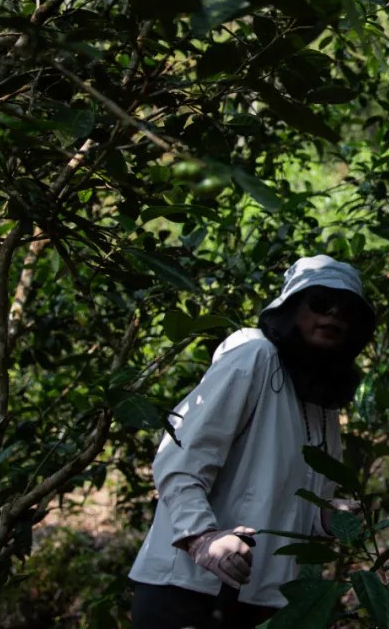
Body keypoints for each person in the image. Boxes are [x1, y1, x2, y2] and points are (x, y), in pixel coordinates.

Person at [129, 255, 375, 629]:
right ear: (292, 308)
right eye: (321, 302)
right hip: (187, 589)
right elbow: (179, 457)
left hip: (260, 599)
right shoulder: (255, 357)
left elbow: (287, 495)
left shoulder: (321, 393)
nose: (334, 315)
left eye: (347, 311)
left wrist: (327, 515)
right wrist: (201, 537)